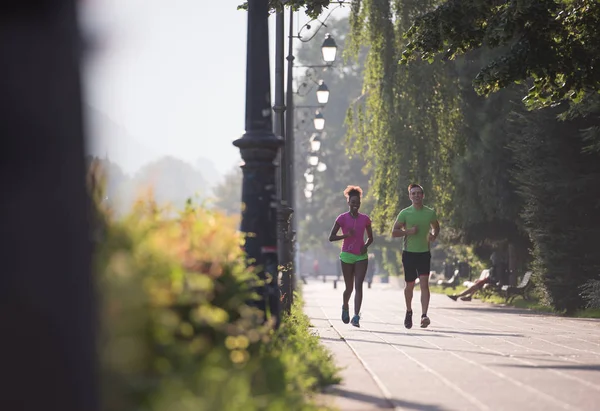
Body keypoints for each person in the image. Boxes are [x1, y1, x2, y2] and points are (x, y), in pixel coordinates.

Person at [392, 184, 440, 329]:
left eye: (419, 193)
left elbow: (436, 226)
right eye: (413, 193)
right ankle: (408, 311)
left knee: (425, 284)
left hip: (424, 253)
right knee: (410, 286)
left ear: (423, 196)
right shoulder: (405, 213)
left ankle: (424, 315)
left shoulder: (430, 212)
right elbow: (394, 232)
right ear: (410, 196)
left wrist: (433, 235)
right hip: (409, 254)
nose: (416, 195)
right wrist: (408, 232)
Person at [328, 185, 374, 327]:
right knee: (349, 287)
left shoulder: (365, 219)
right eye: (353, 202)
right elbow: (331, 237)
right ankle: (345, 306)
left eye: (358, 203)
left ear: (360, 203)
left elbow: (370, 238)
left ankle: (356, 316)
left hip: (361, 256)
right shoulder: (342, 218)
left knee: (359, 285)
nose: (355, 205)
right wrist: (346, 235)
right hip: (347, 256)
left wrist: (365, 247)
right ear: (348, 202)